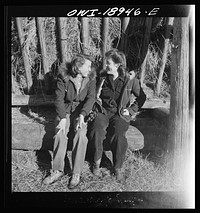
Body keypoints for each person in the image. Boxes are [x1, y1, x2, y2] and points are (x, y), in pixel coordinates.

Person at [88, 49, 146, 180]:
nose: (106, 65)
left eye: (108, 63)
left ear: (117, 65)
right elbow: (93, 94)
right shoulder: (102, 77)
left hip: (119, 114)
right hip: (103, 111)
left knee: (119, 133)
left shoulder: (129, 79)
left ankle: (117, 167)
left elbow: (141, 97)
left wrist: (131, 110)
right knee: (97, 128)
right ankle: (96, 163)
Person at [43, 53, 96, 189]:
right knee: (60, 133)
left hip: (80, 112)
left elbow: (91, 98)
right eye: (88, 66)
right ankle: (57, 170)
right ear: (78, 66)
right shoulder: (64, 77)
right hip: (65, 110)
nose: (90, 69)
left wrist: (83, 115)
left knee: (81, 135)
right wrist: (62, 118)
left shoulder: (90, 78)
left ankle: (76, 173)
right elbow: (59, 99)